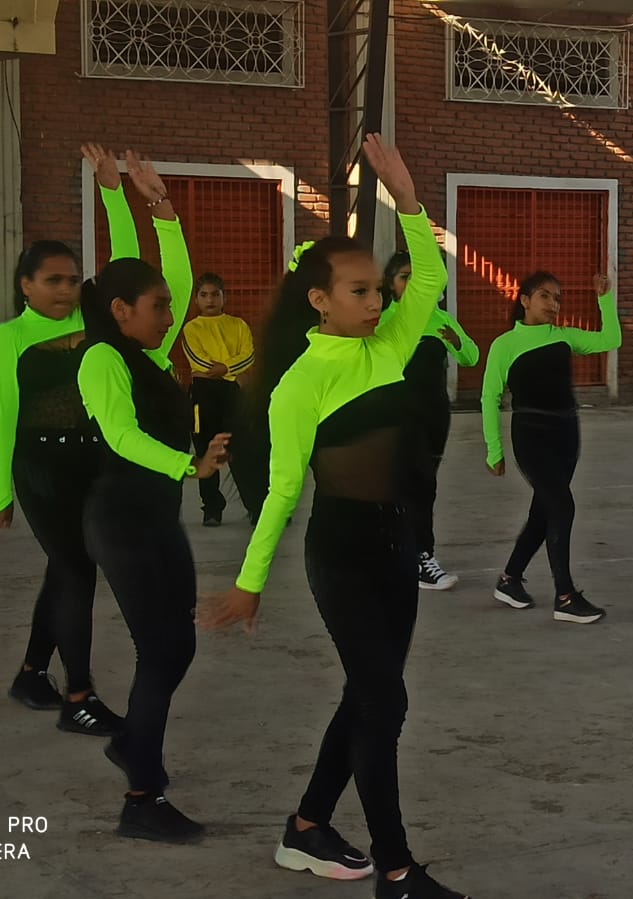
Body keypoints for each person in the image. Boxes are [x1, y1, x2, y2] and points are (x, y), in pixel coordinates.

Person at [199, 135, 470, 899]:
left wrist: (408, 198)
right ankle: (396, 869)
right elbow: (283, 491)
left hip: (397, 544)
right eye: (358, 291)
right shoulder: (299, 383)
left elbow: (431, 277)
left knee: (367, 695)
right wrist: (249, 582)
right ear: (319, 298)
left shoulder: (391, 344)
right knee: (385, 701)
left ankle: (308, 824)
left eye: (377, 289)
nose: (376, 301)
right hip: (343, 552)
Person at [76, 151, 225, 841]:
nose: (172, 312)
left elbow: (178, 279)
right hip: (122, 521)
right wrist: (187, 465)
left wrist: (161, 208)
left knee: (178, 646)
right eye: (158, 306)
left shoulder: (144, 352)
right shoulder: (103, 358)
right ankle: (141, 798)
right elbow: (120, 435)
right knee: (159, 651)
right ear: (120, 310)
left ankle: (131, 742)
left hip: (159, 519)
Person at [0, 143, 130, 738]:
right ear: (26, 285)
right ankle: (78, 696)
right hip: (39, 469)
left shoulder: (93, 321)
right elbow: (2, 420)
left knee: (68, 569)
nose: (65, 290)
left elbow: (126, 263)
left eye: (70, 280)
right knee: (76, 571)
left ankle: (31, 673)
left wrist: (113, 192)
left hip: (89, 463)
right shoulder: (7, 340)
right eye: (52, 281)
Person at [480, 266, 620, 623]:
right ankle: (566, 596)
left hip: (566, 434)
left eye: (558, 298)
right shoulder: (505, 345)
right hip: (531, 435)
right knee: (562, 506)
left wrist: (604, 299)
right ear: (525, 300)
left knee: (543, 513)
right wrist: (494, 449)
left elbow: (610, 339)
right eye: (545, 296)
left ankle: (510, 580)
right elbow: (489, 397)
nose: (553, 304)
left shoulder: (564, 337)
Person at [378, 250, 478, 590]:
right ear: (391, 284)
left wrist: (457, 342)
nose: (412, 283)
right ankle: (421, 556)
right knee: (416, 485)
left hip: (435, 417)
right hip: (397, 418)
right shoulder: (382, 321)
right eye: (404, 277)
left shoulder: (440, 319)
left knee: (422, 486)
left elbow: (471, 356)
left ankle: (405, 551)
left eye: (418, 277)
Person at [180, 272, 255, 526]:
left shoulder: (238, 325)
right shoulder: (191, 329)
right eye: (204, 295)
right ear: (196, 299)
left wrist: (224, 369)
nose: (210, 300)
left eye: (215, 294)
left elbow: (248, 355)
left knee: (241, 449)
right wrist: (229, 369)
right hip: (203, 393)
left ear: (224, 297)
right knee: (205, 450)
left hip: (232, 393)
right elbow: (198, 360)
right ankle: (212, 509)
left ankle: (255, 505)